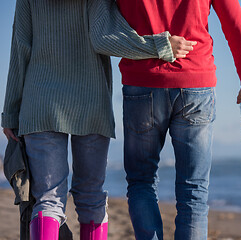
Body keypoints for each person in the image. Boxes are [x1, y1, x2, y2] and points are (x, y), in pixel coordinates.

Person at [1, 0, 196, 239]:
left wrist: (10, 112)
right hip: (91, 102)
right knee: (91, 197)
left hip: (40, 104)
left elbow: (20, 50)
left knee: (48, 200)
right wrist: (159, 45)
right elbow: (105, 38)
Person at [116, 0, 241, 239]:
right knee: (193, 189)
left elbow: (106, 22)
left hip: (141, 82)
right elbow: (235, 24)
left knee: (141, 182)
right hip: (196, 84)